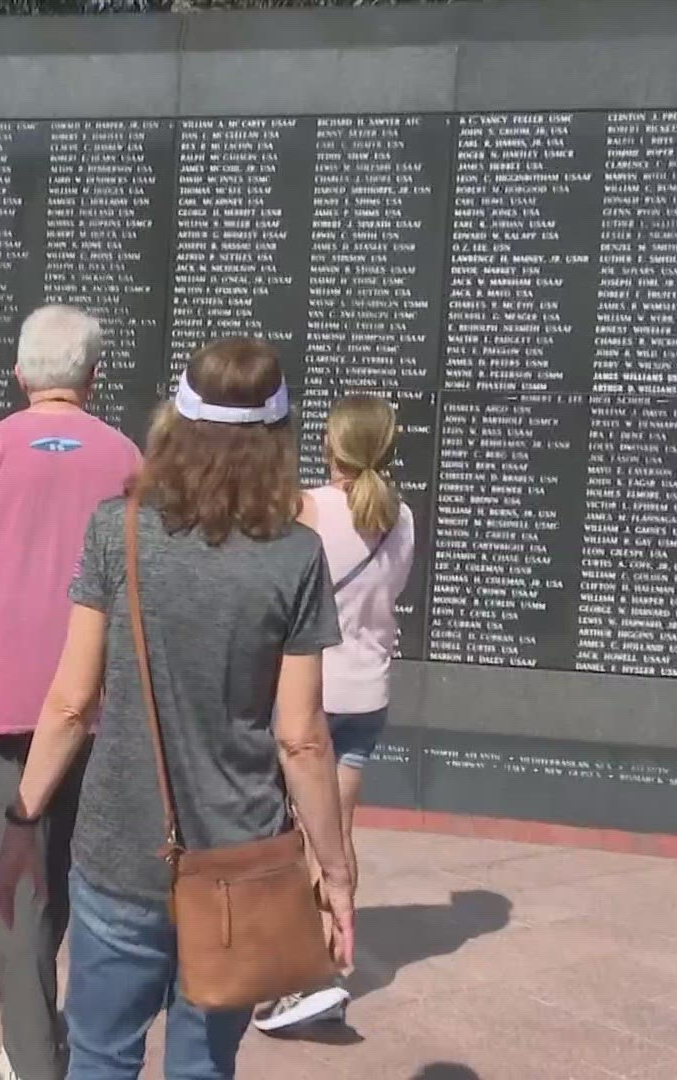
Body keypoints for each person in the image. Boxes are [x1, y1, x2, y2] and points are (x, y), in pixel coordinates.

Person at [0, 337, 356, 1080]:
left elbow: (69, 703)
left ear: (174, 424)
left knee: (100, 1054)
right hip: (239, 860)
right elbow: (302, 739)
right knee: (201, 1063)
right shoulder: (294, 557)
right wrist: (337, 870)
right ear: (277, 437)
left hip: (120, 850)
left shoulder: (117, 529)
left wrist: (24, 821)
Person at [0, 304, 142, 1080]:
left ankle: (32, 1056)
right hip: (101, 708)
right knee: (90, 883)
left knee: (18, 886)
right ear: (93, 376)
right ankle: (78, 1044)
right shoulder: (125, 456)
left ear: (20, 373)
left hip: (5, 707)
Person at [253, 392, 416, 1034]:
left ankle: (298, 975)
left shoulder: (306, 510)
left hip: (307, 696)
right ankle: (328, 968)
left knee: (293, 838)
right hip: (366, 696)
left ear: (333, 445)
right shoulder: (402, 517)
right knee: (336, 839)